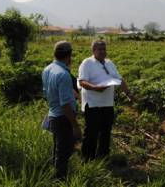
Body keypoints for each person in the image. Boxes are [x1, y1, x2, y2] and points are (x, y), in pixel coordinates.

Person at [79, 40, 134, 161]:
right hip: (93, 104)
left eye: (104, 49)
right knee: (91, 133)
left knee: (106, 132)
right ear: (93, 50)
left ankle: (103, 158)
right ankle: (87, 159)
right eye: (99, 49)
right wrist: (95, 88)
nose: (103, 51)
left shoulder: (110, 63)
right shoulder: (87, 63)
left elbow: (120, 79)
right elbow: (82, 81)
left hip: (108, 103)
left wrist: (129, 93)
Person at [42, 41, 82, 179]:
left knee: (57, 150)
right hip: (63, 117)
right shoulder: (63, 75)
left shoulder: (48, 69)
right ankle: (60, 179)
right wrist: (75, 125)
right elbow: (65, 104)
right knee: (64, 152)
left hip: (53, 114)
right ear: (69, 55)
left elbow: (46, 93)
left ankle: (55, 175)